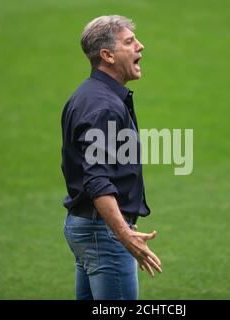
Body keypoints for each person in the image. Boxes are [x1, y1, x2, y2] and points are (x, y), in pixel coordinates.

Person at [60, 15, 162, 300]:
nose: (140, 46)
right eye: (129, 42)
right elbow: (96, 178)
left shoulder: (86, 95)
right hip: (102, 232)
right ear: (107, 55)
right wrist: (122, 232)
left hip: (88, 226)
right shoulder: (103, 106)